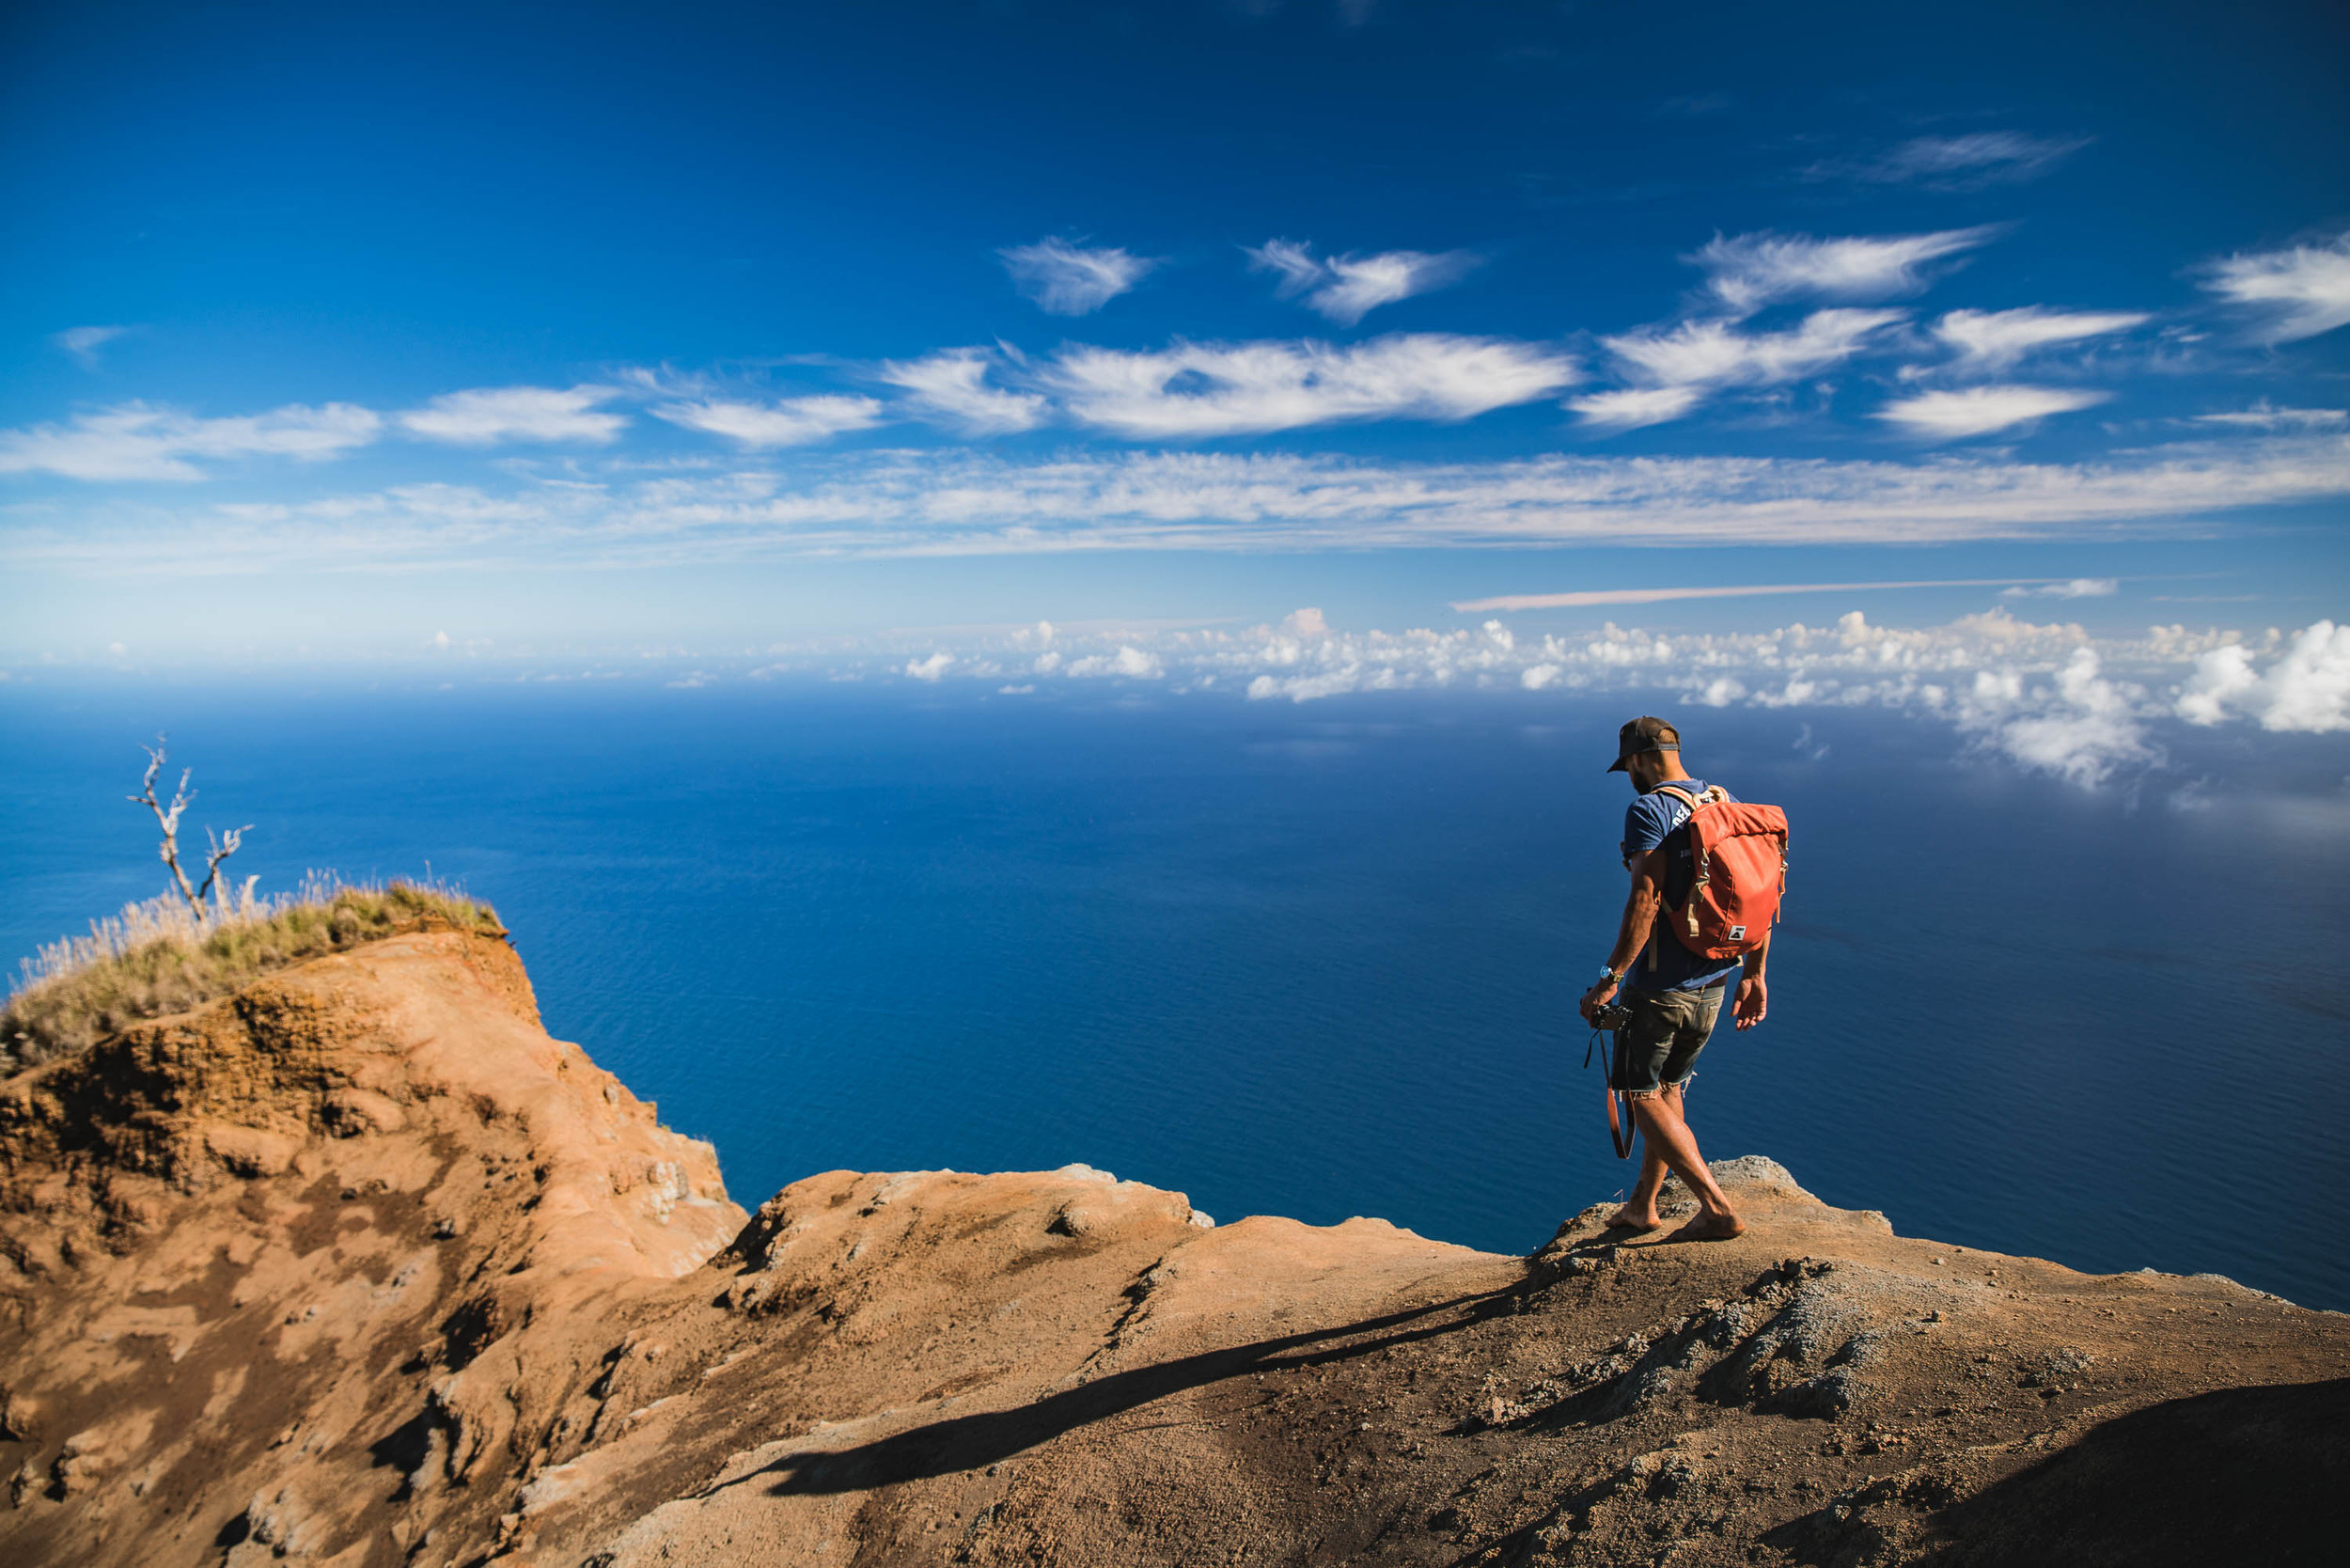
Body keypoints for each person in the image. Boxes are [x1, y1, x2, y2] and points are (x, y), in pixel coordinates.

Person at [1578, 715, 1768, 1242]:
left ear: (1637, 761)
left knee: (1638, 1092)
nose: (1629, 777)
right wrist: (1755, 972)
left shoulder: (1649, 809)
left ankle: (1716, 1207)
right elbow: (1759, 895)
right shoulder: (1724, 801)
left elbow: (1645, 897)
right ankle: (1643, 1205)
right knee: (1667, 1086)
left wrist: (1608, 979)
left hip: (1662, 984)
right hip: (1716, 979)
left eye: (1629, 767)